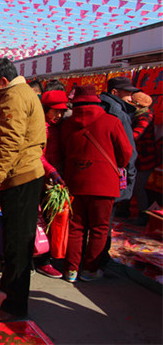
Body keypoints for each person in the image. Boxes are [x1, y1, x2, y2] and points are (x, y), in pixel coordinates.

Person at [0, 58, 46, 322]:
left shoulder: (14, 97)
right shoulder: (18, 93)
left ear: (3, 81)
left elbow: (9, 143)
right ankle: (10, 287)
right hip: (18, 176)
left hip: (20, 177)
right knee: (13, 239)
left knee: (18, 243)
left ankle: (15, 306)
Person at [60, 85, 132, 282]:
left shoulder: (67, 124)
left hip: (75, 179)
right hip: (104, 182)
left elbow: (63, 150)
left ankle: (71, 269)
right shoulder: (111, 121)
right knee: (99, 228)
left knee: (75, 227)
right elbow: (126, 152)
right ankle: (91, 269)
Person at [99, 76, 138, 266]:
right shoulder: (118, 113)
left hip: (88, 173)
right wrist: (129, 179)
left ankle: (80, 261)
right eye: (127, 93)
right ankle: (99, 261)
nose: (130, 98)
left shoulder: (95, 107)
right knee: (104, 223)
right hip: (110, 174)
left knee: (84, 223)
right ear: (114, 92)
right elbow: (128, 150)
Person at [35, 89, 69, 279]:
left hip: (58, 179)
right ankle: (43, 260)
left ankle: (55, 256)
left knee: (58, 221)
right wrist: (52, 172)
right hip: (45, 178)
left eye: (62, 111)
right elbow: (38, 154)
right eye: (54, 111)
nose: (58, 115)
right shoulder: (41, 127)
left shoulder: (62, 126)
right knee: (44, 221)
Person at [129, 91, 156, 226]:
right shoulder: (138, 116)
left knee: (138, 187)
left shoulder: (145, 118)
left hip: (145, 158)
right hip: (139, 158)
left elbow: (135, 135)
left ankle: (143, 215)